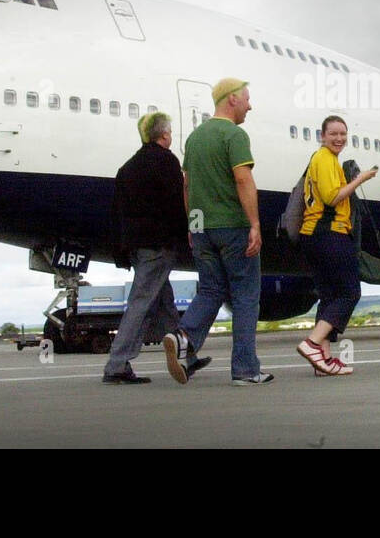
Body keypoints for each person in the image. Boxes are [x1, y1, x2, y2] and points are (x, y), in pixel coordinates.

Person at [164, 77, 273, 386]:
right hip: (232, 227)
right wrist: (254, 224)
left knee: (211, 289)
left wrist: (191, 224)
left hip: (200, 228)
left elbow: (186, 185)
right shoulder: (234, 135)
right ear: (232, 100)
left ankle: (183, 337)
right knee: (245, 296)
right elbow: (242, 179)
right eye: (247, 99)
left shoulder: (195, 138)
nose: (250, 105)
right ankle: (245, 370)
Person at [103, 112, 209, 383]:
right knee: (140, 303)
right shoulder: (167, 162)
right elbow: (177, 204)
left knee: (165, 305)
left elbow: (116, 213)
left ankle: (188, 357)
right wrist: (189, 234)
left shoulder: (127, 168)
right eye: (170, 132)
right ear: (164, 135)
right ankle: (117, 364)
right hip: (159, 246)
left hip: (138, 248)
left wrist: (120, 251)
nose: (171, 136)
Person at [294, 116, 376, 376]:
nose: (339, 138)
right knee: (349, 293)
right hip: (329, 233)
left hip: (313, 235)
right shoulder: (325, 159)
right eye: (333, 134)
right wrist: (360, 179)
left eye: (343, 134)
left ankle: (324, 360)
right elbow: (332, 197)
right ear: (323, 136)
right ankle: (312, 343)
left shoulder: (320, 160)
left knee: (329, 295)